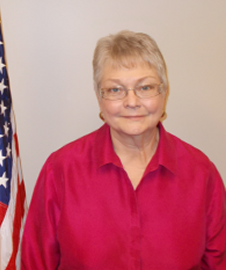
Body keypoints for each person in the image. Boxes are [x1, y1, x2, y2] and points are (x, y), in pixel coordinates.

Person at [21, 30, 226, 269]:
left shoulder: (201, 173)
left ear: (164, 92)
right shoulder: (61, 170)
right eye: (116, 90)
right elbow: (36, 263)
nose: (132, 102)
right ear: (99, 97)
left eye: (145, 87)